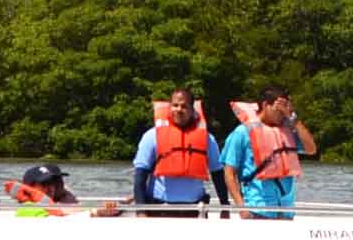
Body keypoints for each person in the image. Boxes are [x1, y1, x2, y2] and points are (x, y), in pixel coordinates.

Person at [132, 87, 235, 212]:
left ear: (192, 110)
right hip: (159, 209)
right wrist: (141, 212)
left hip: (195, 210)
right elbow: (139, 178)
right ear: (170, 107)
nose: (179, 110)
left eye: (184, 106)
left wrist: (225, 208)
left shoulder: (208, 139)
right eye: (175, 105)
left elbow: (218, 175)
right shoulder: (151, 136)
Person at [223, 88, 316, 217]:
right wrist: (242, 208)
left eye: (285, 111)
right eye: (279, 110)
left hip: (286, 212)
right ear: (266, 105)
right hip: (257, 210)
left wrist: (293, 118)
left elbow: (311, 149)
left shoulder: (287, 131)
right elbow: (229, 173)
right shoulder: (242, 133)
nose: (282, 115)